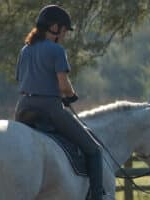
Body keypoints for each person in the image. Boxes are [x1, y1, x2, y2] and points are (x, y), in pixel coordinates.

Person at [14, 5, 104, 200]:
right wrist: (71, 95)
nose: (65, 35)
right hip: (49, 109)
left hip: (22, 108)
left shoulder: (25, 50)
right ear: (54, 27)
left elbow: (20, 79)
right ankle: (99, 195)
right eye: (64, 30)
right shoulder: (56, 50)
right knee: (93, 149)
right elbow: (63, 85)